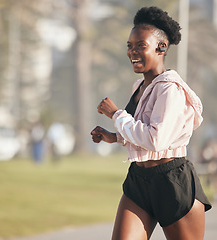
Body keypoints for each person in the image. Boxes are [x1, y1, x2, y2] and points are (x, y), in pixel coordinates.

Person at [90, 6, 212, 240]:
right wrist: (113, 136)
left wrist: (116, 114)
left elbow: (156, 139)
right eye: (129, 46)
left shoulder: (170, 90)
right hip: (139, 180)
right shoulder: (139, 87)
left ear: (161, 48)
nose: (132, 52)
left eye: (140, 46)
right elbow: (140, 132)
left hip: (172, 182)